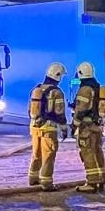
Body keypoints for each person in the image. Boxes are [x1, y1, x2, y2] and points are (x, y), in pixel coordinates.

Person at [28, 62, 67, 191]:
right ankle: (46, 183)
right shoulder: (56, 92)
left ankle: (33, 178)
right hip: (48, 128)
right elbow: (60, 112)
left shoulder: (36, 89)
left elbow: (30, 110)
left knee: (36, 154)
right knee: (48, 156)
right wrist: (64, 127)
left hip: (34, 127)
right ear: (58, 76)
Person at [71, 61, 105, 193]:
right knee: (97, 152)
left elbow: (81, 109)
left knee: (87, 153)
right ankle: (100, 179)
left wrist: (74, 124)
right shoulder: (96, 87)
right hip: (96, 126)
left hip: (87, 127)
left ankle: (91, 183)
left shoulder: (85, 89)